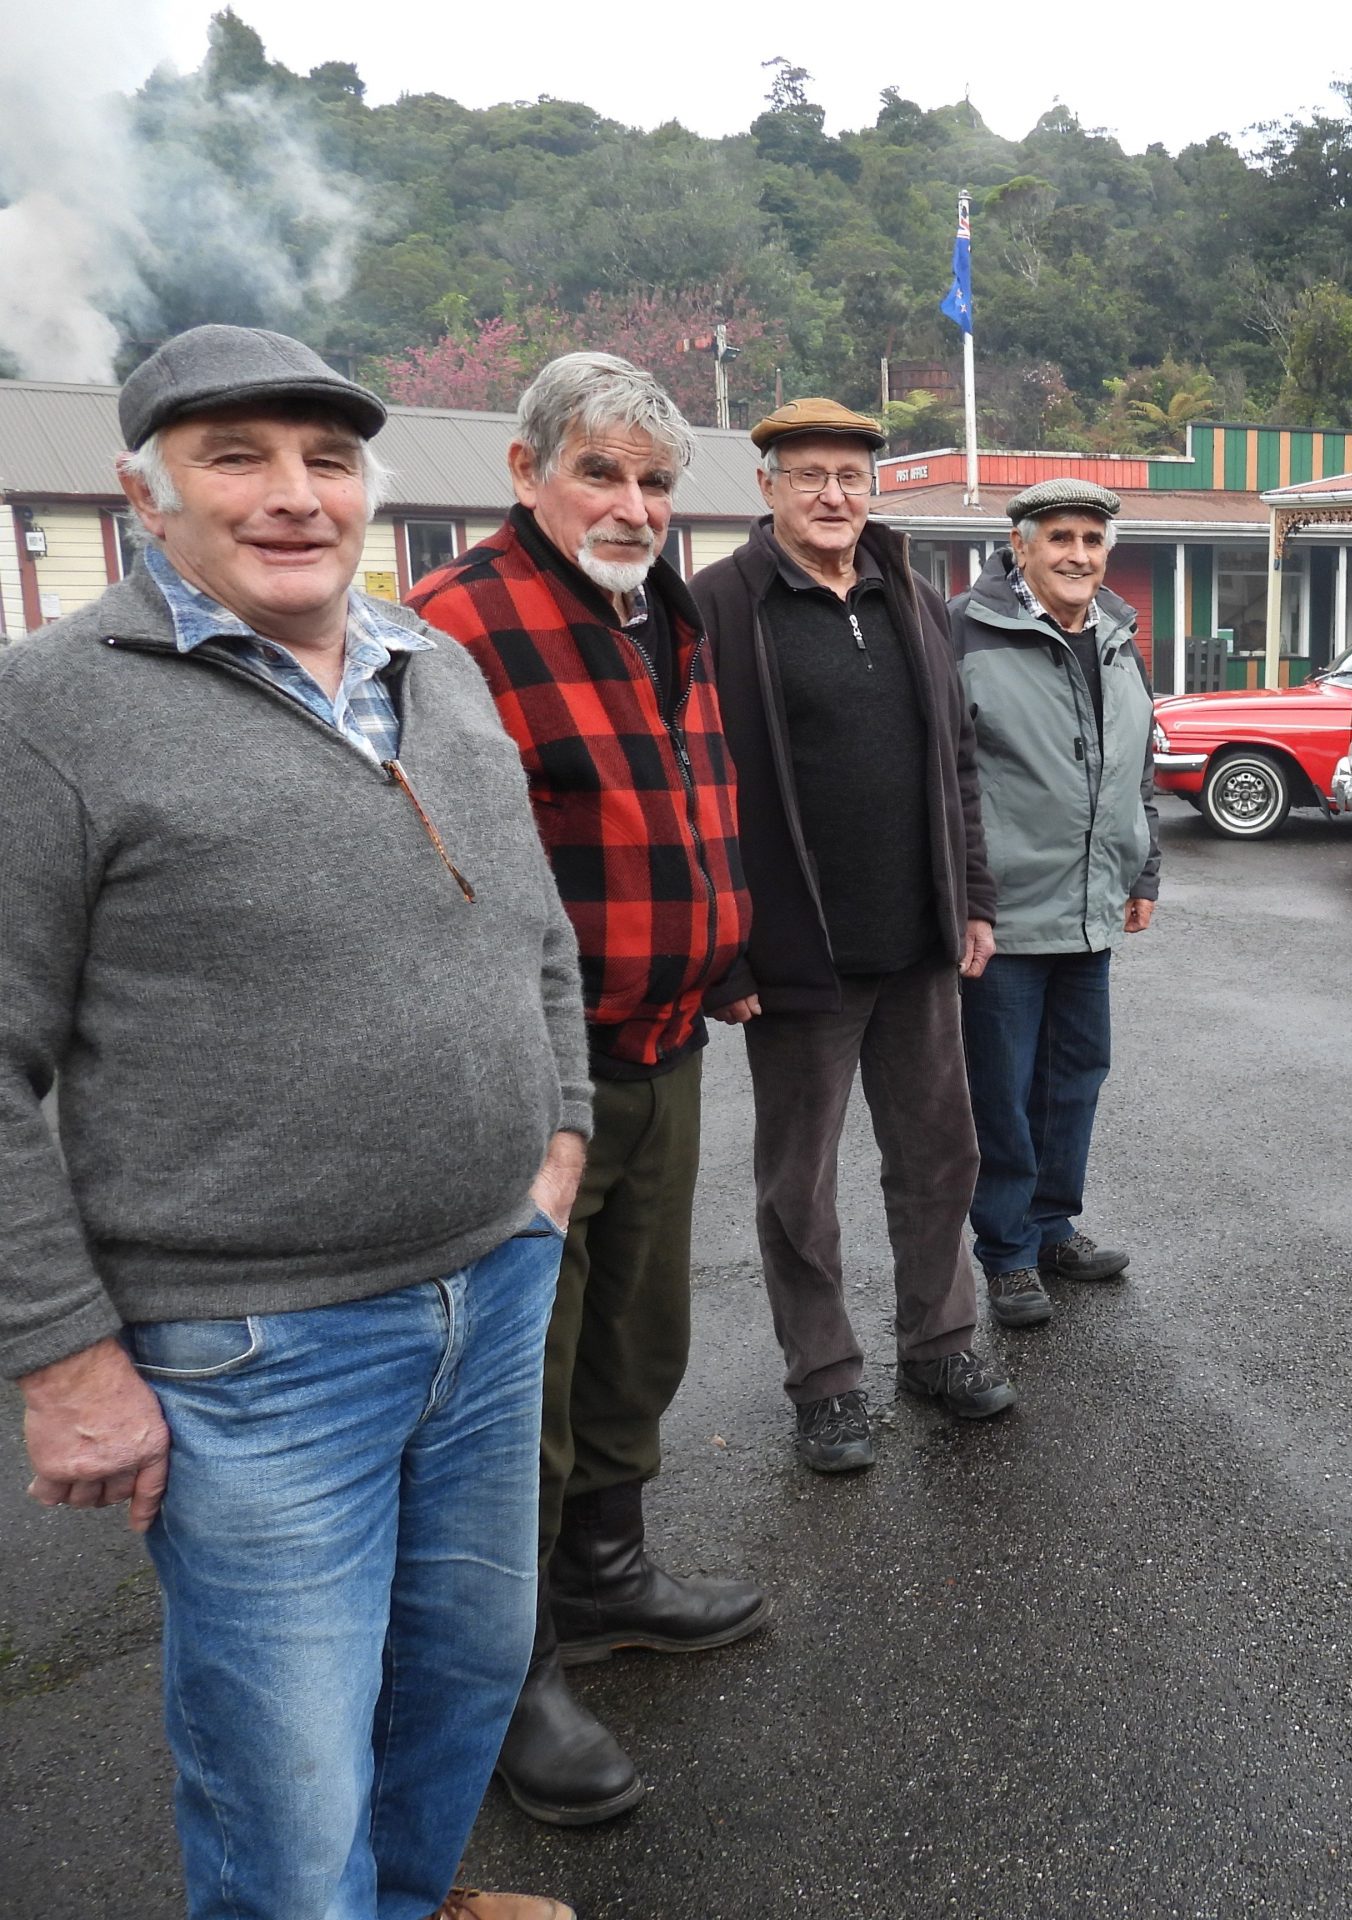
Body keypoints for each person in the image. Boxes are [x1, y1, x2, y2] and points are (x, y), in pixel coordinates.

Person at [0, 325, 582, 1920]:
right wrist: (61, 1361)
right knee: (284, 1766)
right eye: (236, 455)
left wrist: (563, 1144)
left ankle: (409, 1904)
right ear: (145, 493)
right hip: (253, 1354)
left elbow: (533, 928)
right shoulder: (49, 711)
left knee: (461, 1672)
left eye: (327, 460)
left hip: (493, 1287)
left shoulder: (433, 668)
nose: (293, 495)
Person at [408, 352, 766, 1830]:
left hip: (667, 1043)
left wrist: (724, 948)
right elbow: (430, 883)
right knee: (516, 1391)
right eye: (602, 473)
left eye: (657, 483)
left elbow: (672, 811)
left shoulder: (656, 609)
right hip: (534, 1083)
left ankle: (609, 1577)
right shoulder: (450, 632)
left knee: (635, 1340)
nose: (634, 506)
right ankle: (508, 1669)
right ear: (524, 471)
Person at [691, 399, 1017, 1470]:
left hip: (916, 943)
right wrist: (724, 951)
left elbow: (957, 764)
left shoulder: (912, 597)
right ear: (768, 488)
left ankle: (939, 1342)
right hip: (797, 961)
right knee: (801, 1186)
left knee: (940, 1156)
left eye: (851, 477)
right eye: (810, 476)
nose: (834, 496)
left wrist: (971, 898)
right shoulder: (718, 609)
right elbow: (695, 792)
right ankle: (825, 1382)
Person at [947, 480, 1161, 1326]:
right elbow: (947, 780)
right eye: (1061, 537)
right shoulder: (964, 628)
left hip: (1090, 907)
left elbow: (1136, 761)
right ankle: (1004, 1253)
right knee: (1001, 1089)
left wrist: (1142, 872)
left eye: (1093, 538)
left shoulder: (1115, 634)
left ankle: (1050, 1224)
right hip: (1003, 915)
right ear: (1021, 543)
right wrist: (968, 894)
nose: (1079, 554)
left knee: (1074, 1078)